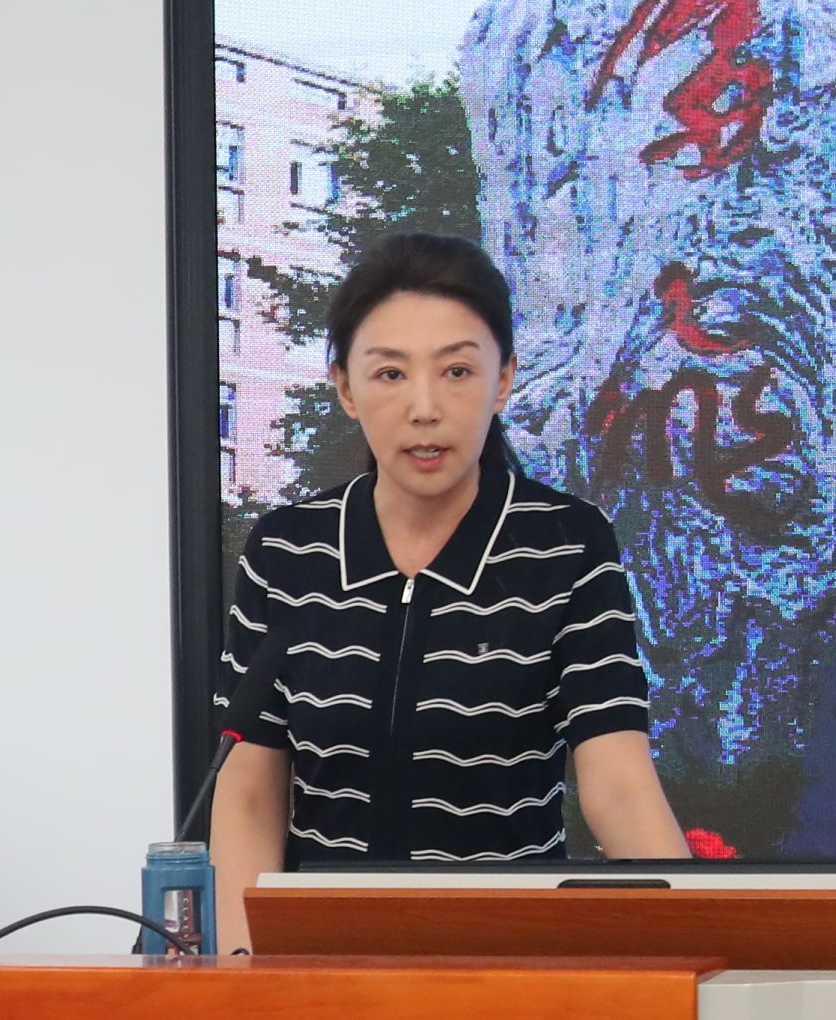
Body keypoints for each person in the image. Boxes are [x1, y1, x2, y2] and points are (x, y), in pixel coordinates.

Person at [211, 232, 688, 951]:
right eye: (390, 374)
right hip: (317, 963)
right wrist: (240, 971)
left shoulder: (566, 543)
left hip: (513, 962)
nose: (425, 408)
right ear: (346, 388)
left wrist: (704, 952)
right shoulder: (289, 551)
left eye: (458, 371)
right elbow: (249, 791)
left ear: (503, 381)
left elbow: (618, 781)